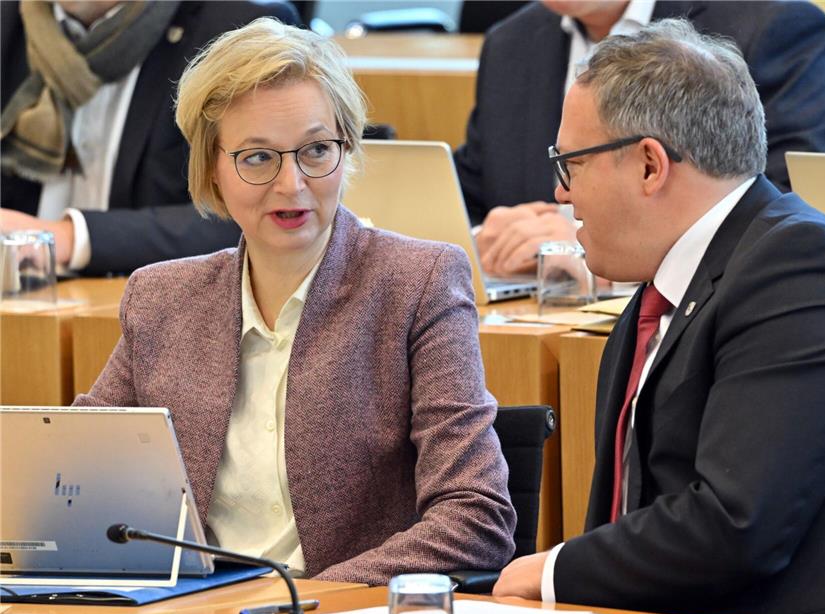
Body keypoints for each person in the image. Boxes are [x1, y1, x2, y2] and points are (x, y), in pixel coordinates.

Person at [492, 20, 825, 614]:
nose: (560, 191)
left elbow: (738, 524)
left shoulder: (803, 268)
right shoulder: (661, 291)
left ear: (650, 165)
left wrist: (554, 570)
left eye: (570, 163)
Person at [74, 18, 516, 584]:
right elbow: (80, 475)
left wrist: (305, 604)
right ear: (212, 166)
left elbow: (476, 517)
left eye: (314, 150)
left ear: (347, 149)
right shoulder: (161, 298)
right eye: (258, 158)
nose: (292, 184)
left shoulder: (417, 282)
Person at [456, 0, 825, 277]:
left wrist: (587, 249)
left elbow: (802, 209)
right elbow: (474, 190)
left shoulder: (769, 26)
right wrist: (485, 236)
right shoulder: (509, 42)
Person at [0, 1, 298, 276]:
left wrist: (69, 237)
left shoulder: (238, 28)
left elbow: (250, 216)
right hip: (20, 304)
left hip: (150, 314)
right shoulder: (7, 22)